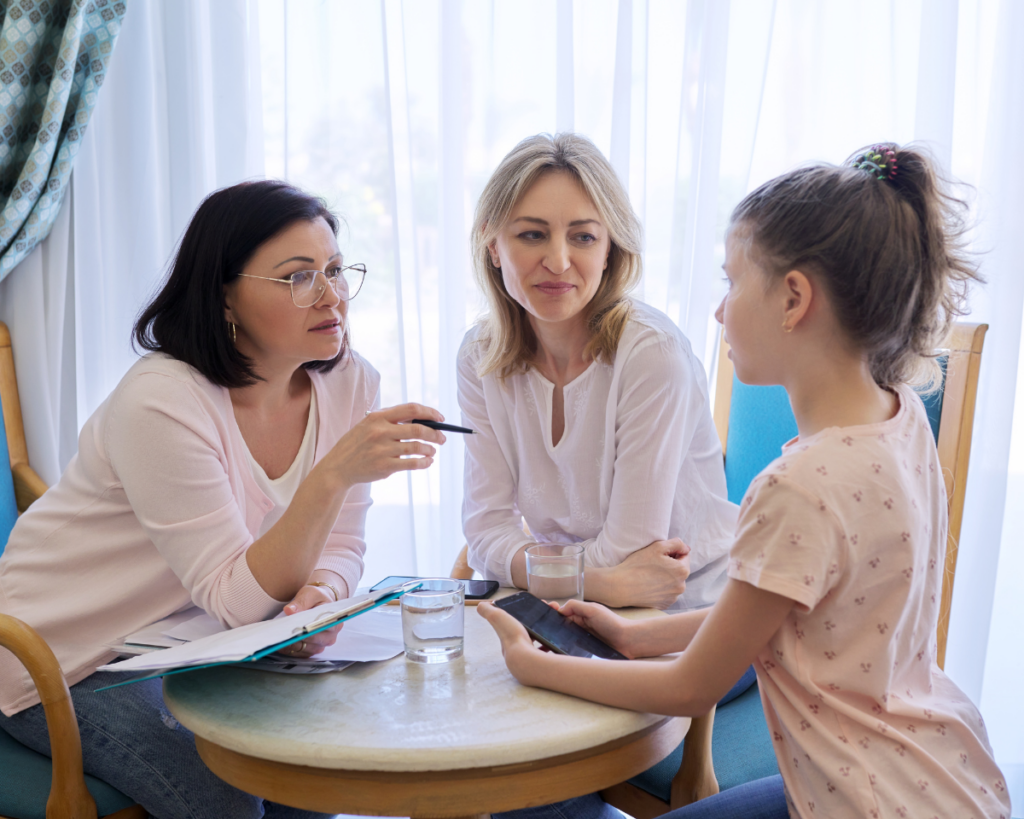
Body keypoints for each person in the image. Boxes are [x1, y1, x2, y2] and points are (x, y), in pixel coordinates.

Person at [480, 144, 1012, 819]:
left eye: (731, 283)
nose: (719, 312)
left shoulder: (797, 487)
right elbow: (795, 615)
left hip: (859, 799)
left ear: (793, 298)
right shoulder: (898, 419)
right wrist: (634, 633)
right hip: (940, 774)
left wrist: (534, 665)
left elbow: (689, 687)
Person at [0, 181, 446, 819]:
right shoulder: (162, 400)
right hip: (67, 656)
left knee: (316, 771)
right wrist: (334, 475)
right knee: (223, 796)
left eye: (336, 270)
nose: (332, 296)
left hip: (193, 645)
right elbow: (236, 600)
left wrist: (314, 603)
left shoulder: (350, 382)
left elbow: (342, 545)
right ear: (224, 296)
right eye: (297, 277)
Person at [460, 133, 737, 611]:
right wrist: (597, 583)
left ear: (609, 249)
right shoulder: (479, 355)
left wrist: (529, 567)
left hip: (685, 611)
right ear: (492, 243)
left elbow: (631, 554)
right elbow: (485, 532)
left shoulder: (653, 355)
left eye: (583, 237)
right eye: (532, 234)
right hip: (572, 607)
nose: (559, 261)